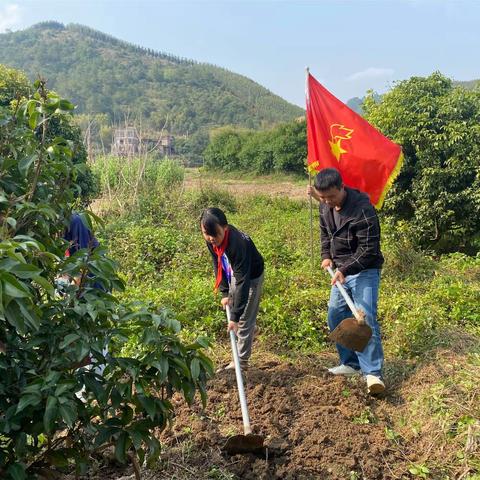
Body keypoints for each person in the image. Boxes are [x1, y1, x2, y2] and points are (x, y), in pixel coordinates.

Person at [307, 168, 385, 394]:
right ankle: (350, 363)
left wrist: (345, 269)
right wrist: (325, 256)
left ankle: (373, 374)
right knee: (336, 314)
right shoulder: (325, 205)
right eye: (322, 198)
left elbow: (369, 249)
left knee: (364, 317)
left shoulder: (363, 209)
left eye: (331, 196)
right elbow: (325, 233)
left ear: (342, 187)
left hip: (364, 269)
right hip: (340, 269)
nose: (327, 202)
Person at [200, 207, 264, 371]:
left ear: (225, 227)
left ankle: (241, 362)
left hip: (252, 275)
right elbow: (218, 263)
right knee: (236, 307)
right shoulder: (212, 239)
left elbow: (244, 281)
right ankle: (247, 329)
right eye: (207, 234)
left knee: (243, 320)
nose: (211, 238)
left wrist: (235, 317)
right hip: (235, 271)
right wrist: (225, 292)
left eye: (215, 235)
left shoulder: (238, 244)